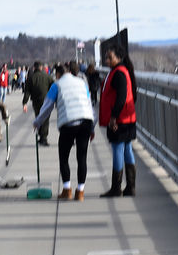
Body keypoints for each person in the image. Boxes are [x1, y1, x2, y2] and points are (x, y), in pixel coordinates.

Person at [32, 61, 96, 201]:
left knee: (64, 157)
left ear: (58, 74)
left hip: (68, 123)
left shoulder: (57, 85)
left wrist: (37, 122)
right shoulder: (82, 83)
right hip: (85, 121)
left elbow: (47, 106)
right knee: (82, 157)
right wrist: (92, 127)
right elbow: (89, 104)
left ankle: (67, 189)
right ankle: (80, 192)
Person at [99, 43, 138, 198]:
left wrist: (113, 117)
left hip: (120, 120)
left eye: (110, 57)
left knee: (117, 149)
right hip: (128, 118)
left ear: (119, 57)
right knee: (127, 149)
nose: (107, 60)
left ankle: (116, 188)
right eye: (106, 57)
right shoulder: (123, 71)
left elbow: (121, 98)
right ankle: (130, 187)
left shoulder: (118, 73)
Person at [23, 61, 54, 145]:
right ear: (41, 67)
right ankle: (44, 137)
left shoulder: (30, 78)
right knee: (45, 118)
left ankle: (41, 136)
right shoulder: (47, 76)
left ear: (34, 67)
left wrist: (24, 103)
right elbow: (54, 87)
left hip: (36, 101)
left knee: (38, 117)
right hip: (47, 100)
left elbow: (27, 92)